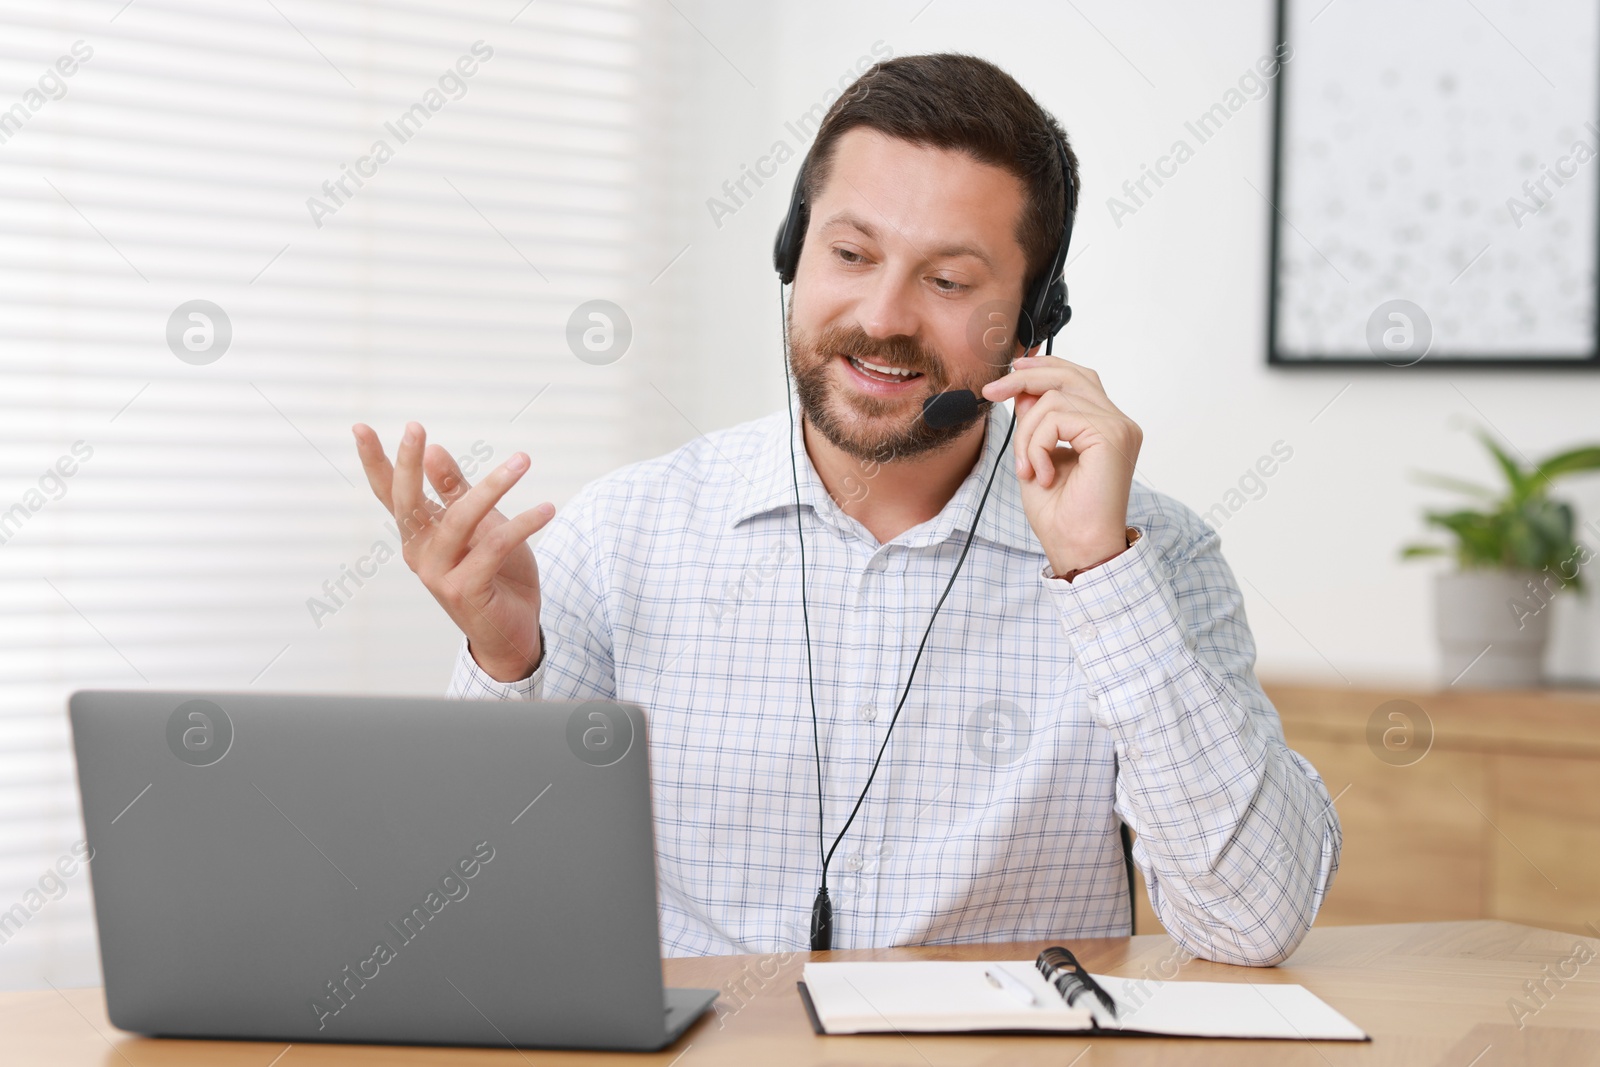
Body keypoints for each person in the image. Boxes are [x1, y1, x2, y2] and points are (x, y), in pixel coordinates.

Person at [352, 52, 1340, 966]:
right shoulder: (616, 538)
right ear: (793, 255)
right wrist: (507, 665)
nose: (881, 317)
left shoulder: (1150, 553)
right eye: (851, 254)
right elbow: (472, 924)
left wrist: (1096, 571)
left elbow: (1249, 921)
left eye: (948, 280)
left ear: (1037, 318)